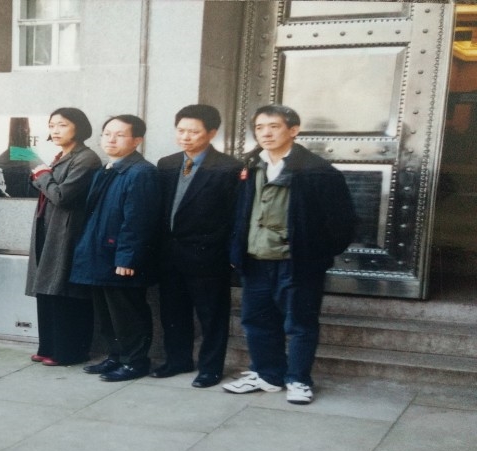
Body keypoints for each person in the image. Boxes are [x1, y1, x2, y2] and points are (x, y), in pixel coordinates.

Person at [223, 104, 356, 404]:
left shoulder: (317, 171)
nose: (265, 133)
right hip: (255, 260)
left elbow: (343, 223)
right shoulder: (250, 165)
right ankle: (267, 374)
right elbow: (239, 213)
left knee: (299, 324)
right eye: (259, 128)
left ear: (293, 130)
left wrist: (314, 255)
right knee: (256, 321)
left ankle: (298, 380)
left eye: (274, 126)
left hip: (296, 264)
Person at [153, 105, 242, 388]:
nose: (186, 137)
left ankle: (210, 368)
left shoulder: (228, 167)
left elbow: (236, 215)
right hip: (170, 254)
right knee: (173, 312)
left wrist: (230, 255)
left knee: (211, 316)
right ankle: (177, 359)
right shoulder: (166, 163)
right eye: (181, 131)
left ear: (212, 133)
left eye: (194, 131)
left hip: (209, 255)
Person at [70, 114, 161, 382]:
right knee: (107, 312)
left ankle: (135, 362)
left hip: (120, 258)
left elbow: (138, 221)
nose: (111, 139)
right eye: (107, 133)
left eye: (120, 135)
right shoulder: (108, 169)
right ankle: (115, 356)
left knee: (127, 312)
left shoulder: (141, 172)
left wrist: (128, 258)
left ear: (137, 140)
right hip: (100, 254)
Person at [25, 108, 102, 366]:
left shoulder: (86, 158)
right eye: (52, 125)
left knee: (64, 289)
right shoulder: (61, 155)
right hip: (49, 227)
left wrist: (42, 175)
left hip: (69, 230)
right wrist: (42, 175)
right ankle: (48, 346)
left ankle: (69, 351)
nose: (55, 130)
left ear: (78, 127)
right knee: (47, 288)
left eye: (62, 125)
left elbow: (62, 196)